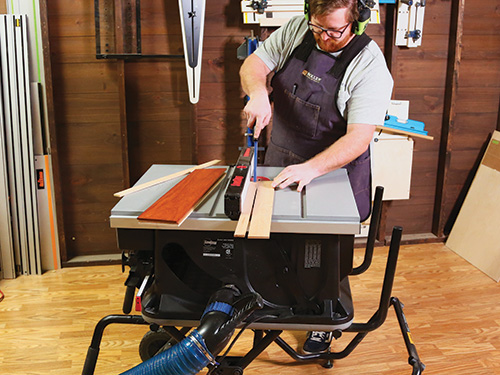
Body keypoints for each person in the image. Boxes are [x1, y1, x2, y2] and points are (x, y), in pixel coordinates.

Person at [239, 0, 393, 354]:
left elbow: (358, 137)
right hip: (282, 161)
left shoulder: (369, 66)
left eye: (334, 31)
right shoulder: (298, 29)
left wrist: (312, 169)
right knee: (278, 245)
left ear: (356, 23)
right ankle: (281, 303)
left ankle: (323, 322)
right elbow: (255, 63)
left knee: (324, 257)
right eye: (317, 28)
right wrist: (259, 92)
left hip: (332, 174)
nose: (324, 38)